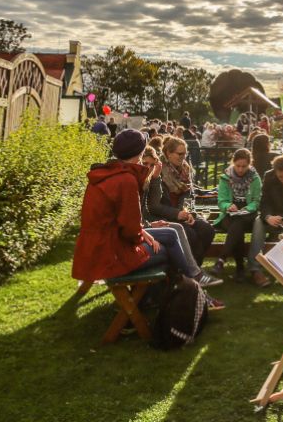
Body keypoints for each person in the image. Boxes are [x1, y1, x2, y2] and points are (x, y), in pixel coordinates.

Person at [74, 131, 222, 309]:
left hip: (97, 248)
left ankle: (193, 282)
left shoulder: (105, 174)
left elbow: (118, 222)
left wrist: (145, 229)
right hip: (111, 254)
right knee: (172, 251)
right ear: (140, 151)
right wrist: (143, 234)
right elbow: (130, 229)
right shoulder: (125, 179)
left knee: (174, 230)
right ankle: (187, 296)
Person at [152, 137, 219, 277]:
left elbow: (189, 195)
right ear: (168, 153)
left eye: (185, 154)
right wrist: (177, 214)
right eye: (179, 154)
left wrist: (188, 213)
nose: (183, 157)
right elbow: (155, 206)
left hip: (183, 213)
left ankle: (194, 270)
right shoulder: (158, 172)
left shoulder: (185, 170)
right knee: (191, 234)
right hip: (165, 216)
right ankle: (190, 272)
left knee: (207, 230)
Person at [213, 148, 263, 283]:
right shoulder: (225, 177)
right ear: (233, 163)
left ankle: (222, 259)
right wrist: (228, 206)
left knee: (239, 223)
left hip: (248, 214)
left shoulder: (255, 178)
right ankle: (239, 269)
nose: (240, 169)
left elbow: (256, 201)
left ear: (249, 164)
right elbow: (221, 200)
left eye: (244, 166)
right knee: (237, 226)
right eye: (238, 166)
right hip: (230, 214)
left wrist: (248, 208)